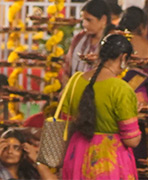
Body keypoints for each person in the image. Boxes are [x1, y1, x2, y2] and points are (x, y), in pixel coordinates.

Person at [56, 33, 141, 179]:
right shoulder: (121, 88)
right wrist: (135, 115)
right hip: (109, 161)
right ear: (123, 58)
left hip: (77, 156)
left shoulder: (75, 81)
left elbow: (65, 123)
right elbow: (131, 140)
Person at [65, 0, 111, 78]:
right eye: (83, 20)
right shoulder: (79, 38)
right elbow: (67, 69)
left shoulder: (112, 42)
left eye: (89, 20)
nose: (84, 24)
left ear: (103, 19)